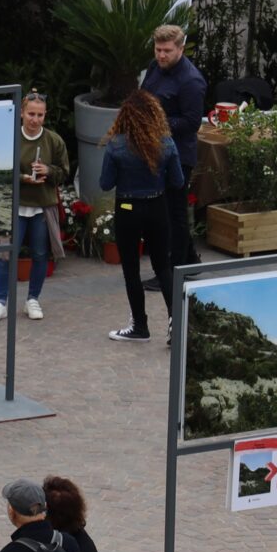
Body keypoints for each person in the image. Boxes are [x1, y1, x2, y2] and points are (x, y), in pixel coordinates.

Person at [98, 90, 184, 343]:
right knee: (163, 267)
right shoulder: (167, 143)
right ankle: (174, 323)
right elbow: (177, 181)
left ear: (125, 117)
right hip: (157, 206)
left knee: (131, 269)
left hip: (127, 209)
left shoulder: (115, 145)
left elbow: (105, 184)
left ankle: (140, 325)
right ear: (154, 115)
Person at [0, 91, 72, 325]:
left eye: (40, 115)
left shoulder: (54, 141)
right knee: (5, 254)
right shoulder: (10, 138)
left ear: (45, 116)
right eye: (31, 114)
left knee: (40, 254)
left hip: (42, 206)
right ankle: (0, 302)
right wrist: (22, 178)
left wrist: (48, 171)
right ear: (21, 114)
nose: (35, 120)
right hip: (14, 206)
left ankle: (33, 299)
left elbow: (64, 172)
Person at [139, 24, 207, 273]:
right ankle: (190, 260)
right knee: (169, 208)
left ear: (180, 48)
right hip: (154, 149)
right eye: (158, 50)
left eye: (167, 50)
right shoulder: (156, 66)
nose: (161, 55)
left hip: (178, 155)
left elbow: (191, 123)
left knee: (173, 212)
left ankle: (173, 270)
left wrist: (158, 124)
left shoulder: (191, 81)